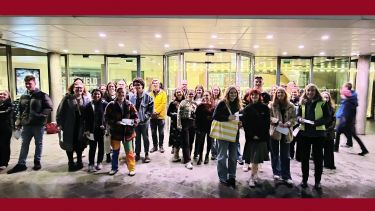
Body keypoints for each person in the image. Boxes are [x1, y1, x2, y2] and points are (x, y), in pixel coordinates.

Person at [7, 75, 53, 174]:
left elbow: (49, 107)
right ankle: (21, 164)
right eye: (26, 83)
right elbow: (20, 110)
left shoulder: (42, 95)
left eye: (30, 83)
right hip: (26, 125)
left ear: (35, 83)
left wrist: (40, 116)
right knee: (24, 144)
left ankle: (37, 161)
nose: (28, 85)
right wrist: (19, 123)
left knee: (38, 143)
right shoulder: (23, 97)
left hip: (38, 125)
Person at [297, 83, 330, 190]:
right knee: (304, 158)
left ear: (316, 92)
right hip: (305, 134)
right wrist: (299, 119)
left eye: (312, 90)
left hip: (318, 135)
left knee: (318, 159)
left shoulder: (322, 103)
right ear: (305, 92)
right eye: (308, 91)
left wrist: (317, 123)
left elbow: (328, 118)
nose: (310, 92)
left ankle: (317, 182)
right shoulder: (302, 102)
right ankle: (304, 180)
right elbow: (297, 116)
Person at [56, 78, 90, 172]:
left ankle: (79, 160)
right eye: (76, 86)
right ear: (73, 88)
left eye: (81, 87)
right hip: (69, 126)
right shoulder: (67, 98)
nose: (79, 89)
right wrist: (59, 124)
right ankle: (70, 162)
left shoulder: (86, 98)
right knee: (69, 145)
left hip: (81, 127)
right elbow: (60, 112)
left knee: (80, 144)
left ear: (83, 88)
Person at [105, 88, 138, 176]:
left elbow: (136, 117)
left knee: (129, 152)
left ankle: (132, 168)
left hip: (127, 133)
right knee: (115, 152)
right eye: (119, 92)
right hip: (115, 133)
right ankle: (114, 168)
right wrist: (115, 122)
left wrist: (133, 123)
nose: (121, 94)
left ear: (125, 93)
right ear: (116, 93)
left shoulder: (129, 104)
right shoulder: (111, 105)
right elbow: (106, 118)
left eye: (122, 92)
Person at [241, 89, 270, 187]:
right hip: (251, 138)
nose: (254, 97)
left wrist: (260, 135)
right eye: (252, 95)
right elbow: (245, 124)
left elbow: (266, 123)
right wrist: (252, 135)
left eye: (256, 95)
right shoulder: (247, 108)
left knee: (257, 158)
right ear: (250, 96)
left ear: (259, 96)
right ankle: (253, 177)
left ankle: (254, 176)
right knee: (254, 158)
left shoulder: (265, 108)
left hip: (261, 137)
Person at [213, 85, 241, 187]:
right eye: (231, 93)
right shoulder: (222, 103)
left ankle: (232, 176)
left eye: (235, 93)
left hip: (234, 133)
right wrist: (228, 117)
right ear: (227, 93)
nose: (233, 94)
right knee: (222, 156)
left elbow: (237, 117)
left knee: (233, 157)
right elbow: (215, 116)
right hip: (223, 133)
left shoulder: (238, 104)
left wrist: (240, 122)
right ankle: (222, 177)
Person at [269, 87, 296, 185]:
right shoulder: (272, 105)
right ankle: (276, 172)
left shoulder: (291, 106)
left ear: (285, 94)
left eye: (282, 93)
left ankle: (286, 175)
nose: (280, 94)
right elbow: (269, 117)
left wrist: (288, 123)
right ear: (276, 94)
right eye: (278, 93)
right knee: (274, 153)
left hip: (286, 132)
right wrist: (276, 121)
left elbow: (294, 119)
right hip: (275, 131)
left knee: (286, 155)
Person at [334, 84, 369, 156]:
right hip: (349, 122)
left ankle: (336, 148)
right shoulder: (352, 99)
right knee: (353, 136)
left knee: (338, 132)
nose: (341, 95)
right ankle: (363, 149)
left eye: (342, 94)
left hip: (346, 122)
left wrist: (344, 122)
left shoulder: (348, 102)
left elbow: (347, 113)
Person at [129, 77, 154, 163]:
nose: (136, 86)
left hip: (144, 122)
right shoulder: (132, 97)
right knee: (137, 139)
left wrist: (143, 118)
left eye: (138, 85)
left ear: (142, 86)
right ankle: (137, 154)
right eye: (135, 85)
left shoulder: (148, 97)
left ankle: (147, 154)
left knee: (145, 138)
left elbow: (150, 111)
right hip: (135, 123)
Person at [84, 89, 108, 172]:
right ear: (92, 95)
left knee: (101, 147)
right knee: (92, 147)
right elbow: (85, 119)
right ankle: (91, 163)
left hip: (101, 130)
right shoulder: (88, 105)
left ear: (101, 95)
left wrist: (105, 126)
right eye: (95, 94)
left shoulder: (105, 104)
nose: (96, 96)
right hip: (91, 130)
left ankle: (99, 162)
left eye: (98, 94)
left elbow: (107, 117)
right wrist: (86, 129)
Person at [177, 89, 197, 170]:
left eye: (192, 94)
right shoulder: (183, 102)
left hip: (193, 123)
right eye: (189, 94)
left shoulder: (195, 103)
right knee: (186, 142)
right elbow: (179, 114)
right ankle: (187, 161)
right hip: (185, 123)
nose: (191, 95)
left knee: (191, 142)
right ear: (186, 94)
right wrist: (179, 124)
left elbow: (196, 115)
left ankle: (188, 157)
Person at [195, 91, 215, 165]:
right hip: (202, 126)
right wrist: (197, 127)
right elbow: (196, 116)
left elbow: (215, 116)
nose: (206, 96)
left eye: (207, 95)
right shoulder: (200, 105)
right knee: (201, 142)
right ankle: (200, 157)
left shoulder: (213, 106)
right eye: (205, 95)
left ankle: (207, 156)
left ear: (210, 96)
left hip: (210, 126)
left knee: (209, 142)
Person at [149, 79, 167, 153]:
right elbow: (149, 104)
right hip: (152, 117)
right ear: (152, 85)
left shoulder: (163, 93)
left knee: (161, 132)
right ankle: (155, 146)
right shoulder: (150, 94)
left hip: (160, 117)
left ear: (159, 84)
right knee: (153, 132)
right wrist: (152, 112)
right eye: (153, 83)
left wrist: (156, 111)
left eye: (156, 83)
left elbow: (163, 104)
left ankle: (161, 146)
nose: (155, 84)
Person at [167, 88, 185, 161]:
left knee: (184, 140)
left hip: (184, 123)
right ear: (175, 94)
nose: (179, 93)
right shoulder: (172, 103)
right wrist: (175, 115)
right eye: (177, 92)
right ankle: (176, 156)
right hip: (174, 124)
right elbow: (168, 113)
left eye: (180, 92)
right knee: (175, 140)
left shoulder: (185, 102)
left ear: (182, 93)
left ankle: (185, 156)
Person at [321, 91, 336, 170]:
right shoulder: (318, 108)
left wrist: (328, 129)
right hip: (320, 131)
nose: (325, 99)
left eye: (327, 97)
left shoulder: (332, 108)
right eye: (323, 97)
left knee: (329, 149)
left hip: (329, 132)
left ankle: (329, 164)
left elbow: (333, 121)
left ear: (329, 99)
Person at [0, 90, 13, 170]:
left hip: (6, 128)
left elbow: (5, 113)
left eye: (4, 94)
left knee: (4, 145)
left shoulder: (9, 104)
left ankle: (4, 162)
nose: (2, 95)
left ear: (8, 96)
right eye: (0, 94)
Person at [210, 85, 222, 160]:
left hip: (218, 120)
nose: (216, 91)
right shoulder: (210, 99)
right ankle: (213, 153)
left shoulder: (221, 100)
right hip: (210, 120)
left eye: (217, 90)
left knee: (218, 138)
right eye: (214, 90)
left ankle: (218, 153)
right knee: (212, 138)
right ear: (212, 91)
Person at [289, 87, 301, 160]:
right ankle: (291, 155)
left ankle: (299, 157)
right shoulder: (288, 101)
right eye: (292, 92)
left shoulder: (300, 102)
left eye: (295, 92)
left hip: (298, 125)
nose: (294, 94)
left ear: (298, 93)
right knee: (291, 140)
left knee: (299, 141)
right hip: (290, 124)